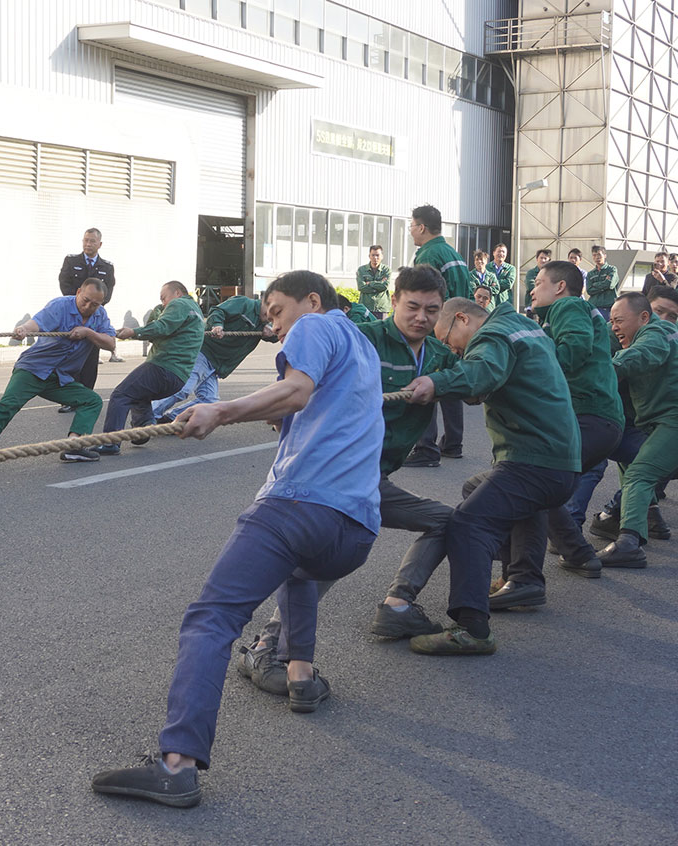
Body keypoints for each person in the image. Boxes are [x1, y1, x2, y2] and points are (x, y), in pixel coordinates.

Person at [90, 271, 382, 808]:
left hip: (299, 505)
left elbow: (296, 391)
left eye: (276, 312)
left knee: (211, 619)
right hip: (356, 531)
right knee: (299, 567)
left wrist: (221, 410)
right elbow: (315, 403)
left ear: (312, 300)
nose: (273, 328)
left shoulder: (314, 326)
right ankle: (300, 675)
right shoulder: (363, 345)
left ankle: (177, 766)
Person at [240, 267, 458, 702]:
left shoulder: (438, 354)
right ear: (393, 301)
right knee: (319, 558)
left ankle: (398, 604)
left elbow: (474, 379)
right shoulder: (362, 338)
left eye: (432, 310)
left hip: (376, 480)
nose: (421, 317)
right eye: (412, 306)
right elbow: (301, 382)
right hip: (337, 478)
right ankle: (269, 645)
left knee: (448, 521)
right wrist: (274, 409)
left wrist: (440, 381)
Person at [402, 297, 580, 654]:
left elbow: (482, 371)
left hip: (535, 461)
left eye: (449, 341)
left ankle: (472, 629)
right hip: (559, 460)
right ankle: (523, 579)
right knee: (481, 489)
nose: (454, 350)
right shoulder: (521, 326)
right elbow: (486, 380)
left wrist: (435, 383)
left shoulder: (493, 336)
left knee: (468, 523)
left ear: (462, 319)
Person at [499, 260, 623, 594]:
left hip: (589, 416)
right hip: (596, 418)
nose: (532, 289)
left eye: (538, 282)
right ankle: (577, 555)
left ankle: (524, 577)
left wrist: (528, 369)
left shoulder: (567, 306)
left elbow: (573, 350)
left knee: (531, 481)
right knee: (542, 485)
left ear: (560, 287)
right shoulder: (566, 312)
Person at [0, 279, 115, 463]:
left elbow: (111, 343)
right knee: (7, 405)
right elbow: (37, 323)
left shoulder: (100, 315)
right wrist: (24, 329)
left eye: (95, 304)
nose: (88, 307)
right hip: (33, 369)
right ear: (79, 292)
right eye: (85, 300)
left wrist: (88, 333)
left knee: (92, 401)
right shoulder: (60, 306)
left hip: (60, 378)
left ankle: (75, 446)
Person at [594, 292, 678, 568]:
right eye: (611, 321)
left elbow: (642, 355)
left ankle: (629, 543)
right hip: (660, 422)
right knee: (629, 456)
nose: (614, 326)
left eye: (619, 320)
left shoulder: (656, 332)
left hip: (672, 421)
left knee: (640, 473)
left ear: (643, 317)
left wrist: (601, 374)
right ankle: (649, 514)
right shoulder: (649, 333)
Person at [94, 281, 204, 456]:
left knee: (121, 395)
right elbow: (163, 331)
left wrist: (134, 332)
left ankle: (110, 442)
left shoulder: (179, 304)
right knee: (139, 393)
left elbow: (162, 327)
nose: (163, 303)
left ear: (177, 293)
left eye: (164, 298)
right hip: (179, 377)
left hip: (163, 366)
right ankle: (143, 426)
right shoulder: (196, 311)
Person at [404, 204, 467, 467]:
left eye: (411, 226)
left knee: (425, 382)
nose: (410, 231)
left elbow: (425, 299)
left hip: (436, 329)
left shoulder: (428, 254)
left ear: (421, 227)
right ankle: (452, 443)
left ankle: (426, 447)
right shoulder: (453, 252)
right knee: (450, 382)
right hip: (457, 328)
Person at [153, 294, 275, 424]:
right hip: (204, 353)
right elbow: (218, 311)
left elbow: (278, 336)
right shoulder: (244, 303)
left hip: (216, 364)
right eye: (271, 310)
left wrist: (272, 332)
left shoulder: (265, 323)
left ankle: (170, 419)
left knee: (210, 400)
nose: (270, 316)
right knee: (183, 389)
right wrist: (217, 325)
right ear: (265, 301)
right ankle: (148, 414)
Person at [58, 228, 117, 409]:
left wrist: (93, 307)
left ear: (100, 244)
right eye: (85, 240)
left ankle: (85, 398)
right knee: (70, 358)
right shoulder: (71, 261)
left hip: (94, 318)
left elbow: (108, 292)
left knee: (90, 360)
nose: (88, 244)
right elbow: (64, 284)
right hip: (72, 315)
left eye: (92, 241)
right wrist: (79, 305)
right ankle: (69, 399)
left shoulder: (107, 267)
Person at [356, 245, 391, 320]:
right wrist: (378, 286)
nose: (375, 258)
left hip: (381, 308)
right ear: (369, 256)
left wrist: (370, 283)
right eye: (373, 255)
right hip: (366, 307)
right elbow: (361, 287)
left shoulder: (386, 270)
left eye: (377, 255)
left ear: (382, 256)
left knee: (382, 327)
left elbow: (384, 286)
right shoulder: (361, 270)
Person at [585, 246, 619, 319]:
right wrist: (603, 284)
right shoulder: (590, 274)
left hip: (608, 307)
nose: (597, 257)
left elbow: (610, 284)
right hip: (594, 307)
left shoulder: (612, 269)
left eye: (599, 255)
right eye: (594, 255)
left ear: (605, 255)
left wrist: (595, 284)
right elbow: (589, 290)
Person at [490, 243, 517, 308]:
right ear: (493, 253)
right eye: (499, 251)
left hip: (504, 302)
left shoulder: (511, 268)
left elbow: (508, 284)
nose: (501, 254)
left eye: (503, 252)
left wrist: (494, 283)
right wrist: (502, 282)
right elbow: (485, 284)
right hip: (490, 302)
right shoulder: (487, 267)